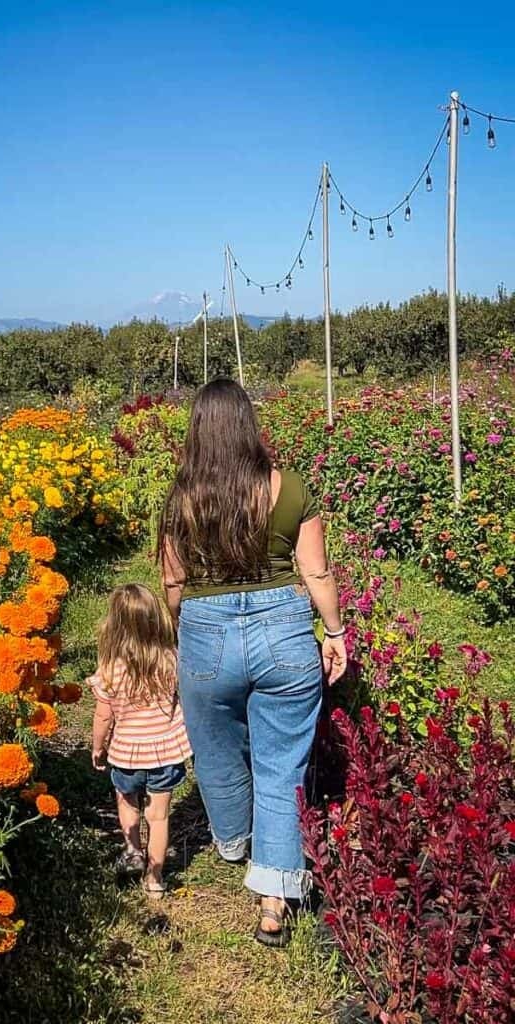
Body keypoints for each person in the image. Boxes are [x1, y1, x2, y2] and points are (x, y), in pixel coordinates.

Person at [157, 378, 347, 946]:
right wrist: (334, 632)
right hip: (284, 632)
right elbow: (315, 572)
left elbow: (173, 583)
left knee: (214, 750)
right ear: (248, 426)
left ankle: (235, 842)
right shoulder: (289, 489)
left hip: (207, 632)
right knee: (282, 761)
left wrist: (181, 632)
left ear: (198, 432)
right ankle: (273, 898)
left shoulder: (181, 499)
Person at [88, 583, 192, 899]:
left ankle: (132, 849)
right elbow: (185, 702)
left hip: (126, 754)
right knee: (158, 817)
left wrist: (97, 746)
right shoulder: (171, 660)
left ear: (114, 625)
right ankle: (155, 878)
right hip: (166, 752)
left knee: (126, 801)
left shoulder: (110, 669)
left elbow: (103, 717)